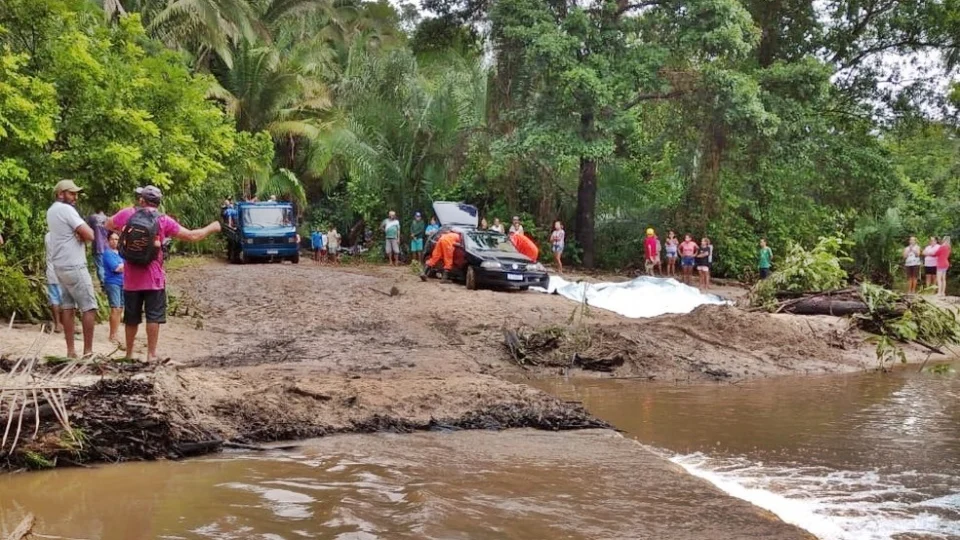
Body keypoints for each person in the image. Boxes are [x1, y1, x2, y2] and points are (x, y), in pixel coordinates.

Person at [107, 186, 221, 362]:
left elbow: (108, 224)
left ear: (141, 200)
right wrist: (212, 227)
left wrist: (125, 234)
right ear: (158, 203)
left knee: (131, 318)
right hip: (154, 279)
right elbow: (192, 236)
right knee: (153, 316)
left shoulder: (128, 214)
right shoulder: (163, 220)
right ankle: (151, 354)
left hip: (130, 278)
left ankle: (129, 354)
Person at [47, 180, 97, 358]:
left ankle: (71, 351)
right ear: (60, 194)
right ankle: (88, 352)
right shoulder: (66, 210)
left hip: (59, 265)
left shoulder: (51, 211)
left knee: (68, 307)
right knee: (89, 307)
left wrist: (79, 234)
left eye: (76, 193)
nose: (75, 197)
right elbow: (90, 234)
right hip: (74, 264)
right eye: (71, 193)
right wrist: (82, 234)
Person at [102, 232, 125, 344]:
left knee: (120, 308)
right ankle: (112, 335)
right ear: (108, 241)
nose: (114, 241)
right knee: (115, 308)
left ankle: (115, 333)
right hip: (113, 283)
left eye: (116, 239)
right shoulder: (107, 253)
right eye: (112, 239)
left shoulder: (121, 253)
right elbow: (116, 268)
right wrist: (128, 266)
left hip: (123, 282)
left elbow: (123, 267)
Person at [44, 232, 63, 334]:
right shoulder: (63, 235)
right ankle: (68, 324)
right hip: (62, 272)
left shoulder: (48, 235)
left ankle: (57, 324)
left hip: (51, 271)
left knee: (54, 299)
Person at [87, 210, 109, 285]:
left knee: (100, 266)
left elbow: (87, 230)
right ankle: (108, 283)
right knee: (107, 266)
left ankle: (103, 284)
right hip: (107, 246)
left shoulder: (92, 218)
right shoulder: (108, 219)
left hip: (97, 246)